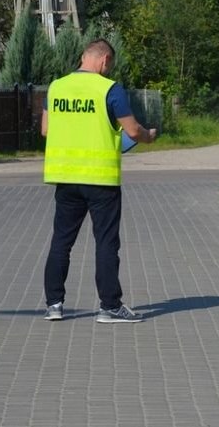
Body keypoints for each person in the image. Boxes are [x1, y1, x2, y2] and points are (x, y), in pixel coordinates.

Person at [41, 38, 157, 323]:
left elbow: (45, 130)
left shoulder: (56, 87)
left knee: (61, 241)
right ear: (105, 61)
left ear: (83, 56)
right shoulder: (109, 89)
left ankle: (53, 305)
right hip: (100, 180)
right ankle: (110, 307)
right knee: (105, 242)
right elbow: (131, 131)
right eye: (110, 65)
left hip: (65, 177)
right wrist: (148, 136)